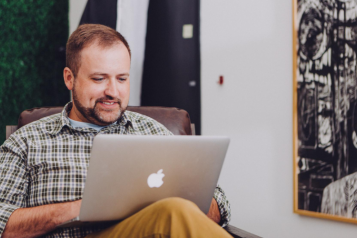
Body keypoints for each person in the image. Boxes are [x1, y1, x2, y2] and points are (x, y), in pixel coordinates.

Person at [0, 24, 232, 238]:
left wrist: (159, 201)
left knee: (174, 210)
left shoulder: (152, 132)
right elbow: (2, 221)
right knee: (173, 211)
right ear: (70, 78)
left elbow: (219, 204)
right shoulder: (27, 141)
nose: (113, 91)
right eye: (99, 78)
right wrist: (84, 207)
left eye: (122, 78)